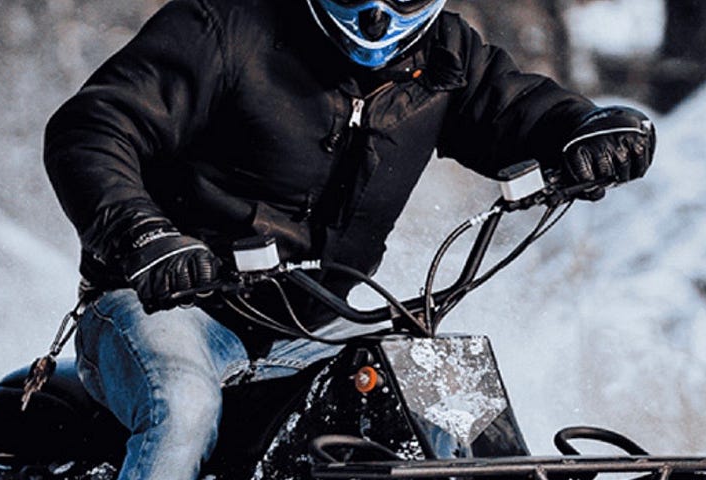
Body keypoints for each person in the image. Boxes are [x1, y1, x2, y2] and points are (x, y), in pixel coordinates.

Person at [42, 0, 655, 477]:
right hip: (167, 303)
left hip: (312, 320)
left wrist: (587, 128)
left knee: (442, 390)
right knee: (184, 408)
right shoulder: (225, 26)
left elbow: (517, 111)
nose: (377, 13)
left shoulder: (446, 57)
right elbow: (93, 127)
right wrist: (147, 236)